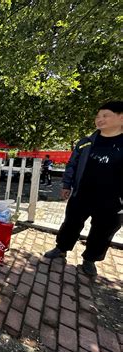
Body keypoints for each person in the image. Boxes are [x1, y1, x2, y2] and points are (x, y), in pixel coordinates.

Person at [44, 101, 123, 276]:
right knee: (71, 222)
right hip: (82, 193)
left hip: (112, 199)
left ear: (121, 117)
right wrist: (66, 185)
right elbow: (72, 164)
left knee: (102, 230)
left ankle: (90, 259)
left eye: (105, 115)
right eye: (98, 116)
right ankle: (61, 248)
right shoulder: (86, 142)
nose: (99, 119)